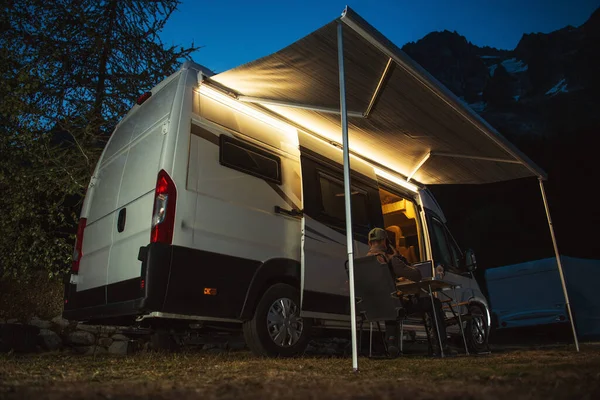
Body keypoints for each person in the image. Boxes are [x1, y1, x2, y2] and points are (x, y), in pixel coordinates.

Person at [366, 228, 450, 357]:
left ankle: (392, 344)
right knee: (434, 302)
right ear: (384, 241)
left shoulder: (361, 263)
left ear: (369, 243)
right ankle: (441, 346)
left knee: (391, 302)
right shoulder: (389, 259)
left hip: (372, 307)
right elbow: (416, 275)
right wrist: (398, 257)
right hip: (392, 306)